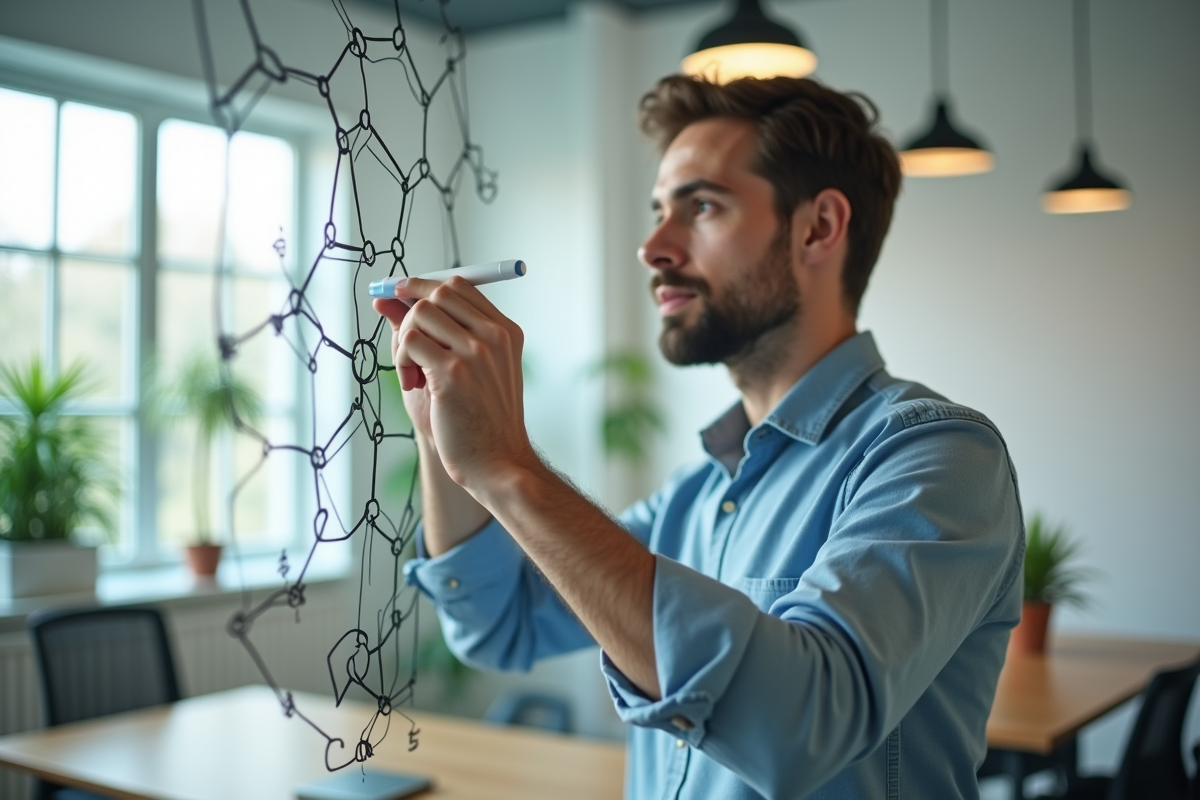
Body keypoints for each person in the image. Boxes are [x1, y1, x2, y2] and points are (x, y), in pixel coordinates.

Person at [374, 75, 1024, 800]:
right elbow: (498, 623)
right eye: (657, 212)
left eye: (702, 206)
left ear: (818, 227)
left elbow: (800, 725)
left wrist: (509, 467)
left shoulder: (936, 457)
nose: (653, 247)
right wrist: (443, 433)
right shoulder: (698, 495)